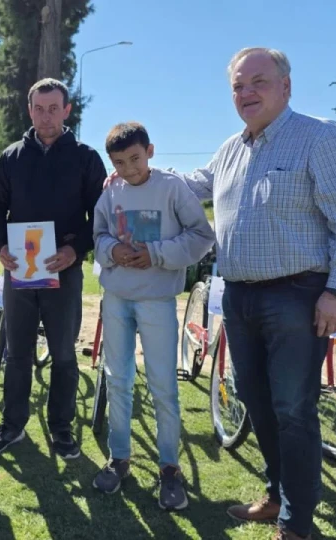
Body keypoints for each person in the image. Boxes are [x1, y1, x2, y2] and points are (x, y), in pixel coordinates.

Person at [176, 48, 336, 540]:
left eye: (258, 82)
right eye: (238, 87)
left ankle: (297, 520)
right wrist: (133, 174)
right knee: (254, 399)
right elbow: (192, 183)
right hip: (239, 297)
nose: (247, 93)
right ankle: (276, 491)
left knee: (293, 408)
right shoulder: (230, 150)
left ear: (286, 86)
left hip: (298, 296)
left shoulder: (319, 138)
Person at [0, 78, 105, 458]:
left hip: (63, 271)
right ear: (29, 109)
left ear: (67, 111)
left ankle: (62, 428)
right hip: (20, 270)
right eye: (39, 108)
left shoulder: (85, 157)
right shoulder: (11, 157)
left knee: (65, 354)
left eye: (54, 108)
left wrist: (75, 249)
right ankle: (13, 425)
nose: (46, 116)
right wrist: (1, 245)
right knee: (16, 352)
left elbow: (99, 215)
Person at [92, 122, 214, 509]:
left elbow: (200, 236)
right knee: (118, 380)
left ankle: (169, 469)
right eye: (119, 162)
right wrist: (113, 251)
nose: (129, 168)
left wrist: (155, 254)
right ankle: (119, 458)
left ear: (150, 151)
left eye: (135, 158)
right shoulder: (111, 190)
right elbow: (98, 235)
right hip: (116, 298)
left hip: (158, 301)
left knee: (163, 385)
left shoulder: (173, 188)